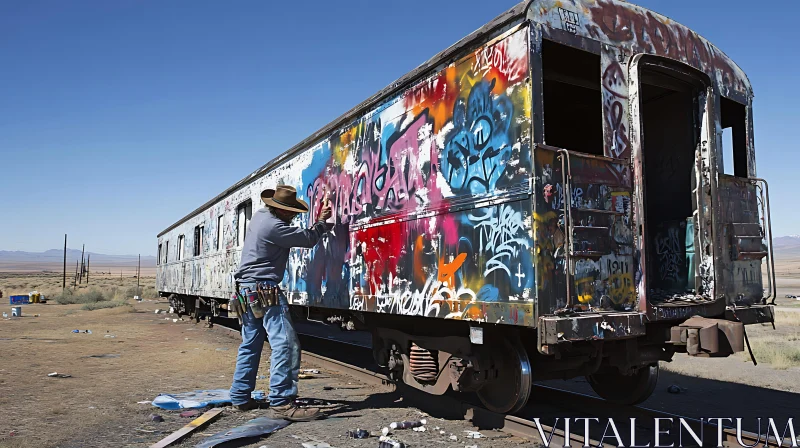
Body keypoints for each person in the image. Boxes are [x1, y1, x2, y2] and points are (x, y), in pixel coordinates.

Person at [230, 185, 331, 421]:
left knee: (251, 343)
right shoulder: (274, 226)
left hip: (246, 289)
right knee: (286, 343)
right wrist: (322, 223)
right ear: (282, 211)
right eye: (292, 212)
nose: (294, 215)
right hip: (264, 289)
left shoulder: (260, 216)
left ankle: (240, 396)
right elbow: (307, 239)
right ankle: (282, 402)